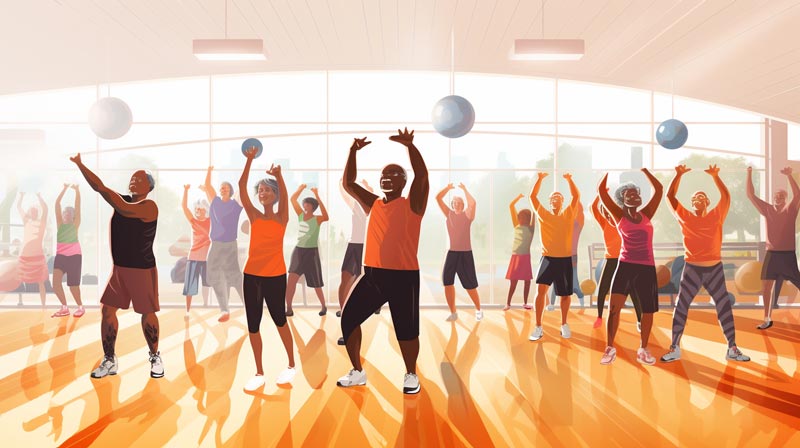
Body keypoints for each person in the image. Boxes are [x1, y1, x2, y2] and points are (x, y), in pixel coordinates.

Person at [336, 128, 429, 395]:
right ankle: (357, 371)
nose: (387, 178)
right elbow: (348, 184)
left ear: (403, 182)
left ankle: (411, 374)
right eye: (384, 175)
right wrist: (353, 152)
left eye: (394, 175)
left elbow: (422, 176)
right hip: (373, 276)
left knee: (407, 333)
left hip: (403, 277)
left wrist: (410, 147)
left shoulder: (414, 204)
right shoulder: (374, 203)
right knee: (349, 319)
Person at [70, 153, 163, 379]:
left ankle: (154, 356)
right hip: (119, 269)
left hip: (142, 270)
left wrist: (104, 190)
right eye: (132, 178)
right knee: (107, 310)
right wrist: (81, 165)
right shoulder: (123, 200)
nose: (133, 181)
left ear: (149, 187)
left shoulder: (150, 206)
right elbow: (99, 187)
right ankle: (110, 359)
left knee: (147, 314)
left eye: (139, 179)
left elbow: (121, 206)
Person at [660, 164, 750, 362]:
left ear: (707, 202)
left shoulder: (717, 215)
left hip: (714, 269)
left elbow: (726, 197)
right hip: (692, 269)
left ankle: (732, 347)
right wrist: (678, 175)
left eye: (700, 197)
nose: (696, 199)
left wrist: (715, 177)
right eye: (693, 198)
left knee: (723, 306)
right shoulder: (684, 217)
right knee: (681, 306)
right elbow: (670, 197)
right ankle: (674, 347)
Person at [238, 147, 297, 391]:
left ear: (274, 194)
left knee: (280, 320)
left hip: (275, 276)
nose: (262, 193)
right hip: (251, 276)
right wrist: (249, 160)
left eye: (266, 190)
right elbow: (242, 187)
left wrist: (280, 176)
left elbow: (285, 196)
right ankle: (259, 372)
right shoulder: (253, 216)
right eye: (259, 190)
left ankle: (292, 365)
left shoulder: (282, 217)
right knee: (253, 324)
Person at [597, 169, 662, 366]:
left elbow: (658, 189)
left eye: (636, 193)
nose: (634, 196)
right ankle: (610, 348)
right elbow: (601, 191)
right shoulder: (618, 215)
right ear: (622, 200)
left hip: (646, 267)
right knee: (614, 308)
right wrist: (608, 171)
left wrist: (644, 171)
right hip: (625, 266)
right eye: (629, 194)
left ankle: (643, 349)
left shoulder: (647, 213)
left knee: (647, 312)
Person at [746, 166, 800, 330]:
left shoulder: (790, 209)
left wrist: (789, 176)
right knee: (766, 288)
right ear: (773, 198)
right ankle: (767, 319)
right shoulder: (767, 209)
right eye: (776, 196)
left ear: (785, 198)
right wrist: (749, 173)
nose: (778, 198)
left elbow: (798, 194)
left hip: (787, 256)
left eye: (781, 196)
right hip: (772, 255)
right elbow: (750, 195)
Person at [528, 172, 581, 341]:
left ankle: (564, 324)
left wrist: (569, 180)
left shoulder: (569, 213)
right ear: (550, 202)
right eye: (553, 197)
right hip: (548, 259)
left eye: (559, 196)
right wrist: (540, 179)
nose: (556, 198)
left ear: (563, 201)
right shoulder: (542, 214)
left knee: (565, 295)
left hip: (565, 259)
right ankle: (538, 327)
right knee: (540, 291)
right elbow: (532, 196)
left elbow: (576, 195)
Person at [590, 194, 642, 330]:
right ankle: (600, 317)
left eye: (609, 212)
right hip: (610, 260)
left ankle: (639, 320)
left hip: (625, 261)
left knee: (633, 291)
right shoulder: (604, 223)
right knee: (602, 290)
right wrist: (599, 194)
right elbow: (593, 208)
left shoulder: (624, 222)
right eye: (605, 212)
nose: (608, 215)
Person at [201, 167, 245, 322]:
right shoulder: (215, 201)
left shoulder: (236, 203)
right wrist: (209, 170)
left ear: (231, 191)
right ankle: (224, 310)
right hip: (216, 244)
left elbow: (242, 186)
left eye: (226, 187)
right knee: (213, 275)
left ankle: (248, 305)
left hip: (230, 245)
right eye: (221, 187)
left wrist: (246, 166)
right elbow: (207, 185)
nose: (223, 189)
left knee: (235, 276)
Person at [435, 182, 482, 322]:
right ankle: (453, 312)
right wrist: (447, 188)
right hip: (451, 253)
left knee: (470, 285)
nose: (456, 204)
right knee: (447, 282)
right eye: (454, 202)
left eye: (458, 202)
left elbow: (473, 203)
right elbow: (438, 198)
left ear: (462, 204)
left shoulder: (468, 215)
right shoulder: (448, 214)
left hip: (465, 254)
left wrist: (465, 189)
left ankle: (479, 310)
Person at [336, 178, 375, 346]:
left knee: (364, 286)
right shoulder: (355, 206)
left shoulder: (375, 206)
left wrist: (367, 187)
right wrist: (343, 181)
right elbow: (343, 190)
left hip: (368, 248)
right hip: (354, 245)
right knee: (345, 279)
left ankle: (353, 322)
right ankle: (345, 311)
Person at [284, 184, 329, 316]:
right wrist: (300, 189)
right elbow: (293, 199)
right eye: (305, 204)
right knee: (291, 280)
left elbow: (326, 216)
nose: (305, 206)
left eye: (308, 204)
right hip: (298, 252)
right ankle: (289, 308)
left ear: (313, 207)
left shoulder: (318, 219)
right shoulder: (300, 215)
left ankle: (323, 306)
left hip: (312, 253)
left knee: (316, 283)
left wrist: (317, 195)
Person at [51, 184, 84, 318]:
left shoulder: (75, 225)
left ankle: (80, 307)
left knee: (73, 286)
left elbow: (78, 206)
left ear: (73, 216)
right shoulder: (60, 224)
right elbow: (57, 204)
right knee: (55, 283)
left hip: (74, 257)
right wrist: (63, 189)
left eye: (68, 213)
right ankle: (64, 307)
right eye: (64, 212)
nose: (65, 214)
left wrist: (77, 191)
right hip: (61, 256)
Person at [548, 202, 586, 309]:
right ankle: (552, 304)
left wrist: (576, 200)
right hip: (561, 255)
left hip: (570, 256)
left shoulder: (576, 224)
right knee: (559, 279)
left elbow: (580, 212)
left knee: (572, 281)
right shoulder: (566, 223)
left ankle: (580, 303)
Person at [181, 185, 211, 319]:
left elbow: (215, 207)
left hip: (206, 259)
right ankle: (187, 310)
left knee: (206, 283)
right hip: (193, 257)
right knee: (190, 286)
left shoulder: (211, 221)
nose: (199, 211)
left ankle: (205, 304)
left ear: (206, 210)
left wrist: (207, 191)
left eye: (201, 209)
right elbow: (184, 207)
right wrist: (186, 191)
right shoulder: (193, 221)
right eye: (197, 209)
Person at [16, 192, 48, 306]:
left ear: (37, 213)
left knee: (41, 282)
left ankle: (43, 305)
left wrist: (40, 197)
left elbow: (46, 209)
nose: (33, 212)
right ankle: (18, 301)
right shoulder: (26, 221)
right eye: (32, 211)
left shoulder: (42, 223)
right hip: (25, 255)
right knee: (16, 278)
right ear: (30, 213)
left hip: (37, 255)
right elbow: (18, 207)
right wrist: (21, 197)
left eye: (35, 211)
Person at [505, 194, 535, 311]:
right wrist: (518, 197)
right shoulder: (516, 225)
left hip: (525, 257)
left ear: (527, 219)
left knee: (527, 281)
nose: (520, 219)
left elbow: (534, 213)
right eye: (519, 217)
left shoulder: (531, 229)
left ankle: (525, 303)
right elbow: (511, 206)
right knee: (513, 281)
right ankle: (508, 303)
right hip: (515, 256)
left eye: (523, 217)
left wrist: (532, 202)